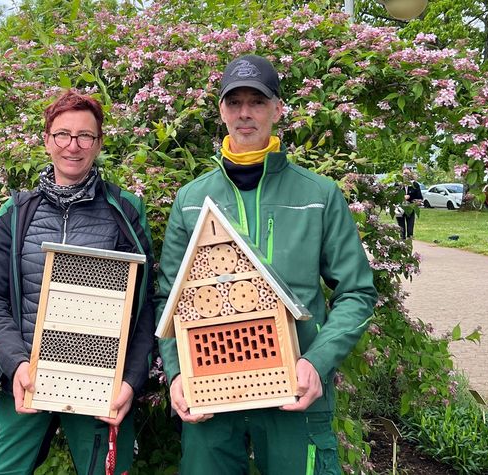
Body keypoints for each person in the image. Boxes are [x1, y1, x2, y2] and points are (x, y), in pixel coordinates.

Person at [154, 55, 378, 474]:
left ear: (277, 109)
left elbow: (357, 292)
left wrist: (318, 361)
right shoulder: (190, 200)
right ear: (220, 111)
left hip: (294, 392)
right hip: (210, 392)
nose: (244, 113)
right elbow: (170, 298)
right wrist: (178, 374)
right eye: (233, 102)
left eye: (256, 101)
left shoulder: (319, 195)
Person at [0, 90, 155, 475]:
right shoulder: (17, 213)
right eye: (62, 135)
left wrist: (132, 381)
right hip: (25, 381)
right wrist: (16, 363)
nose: (73, 146)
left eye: (85, 136)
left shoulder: (124, 211)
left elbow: (145, 306)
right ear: (47, 140)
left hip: (101, 384)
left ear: (99, 143)